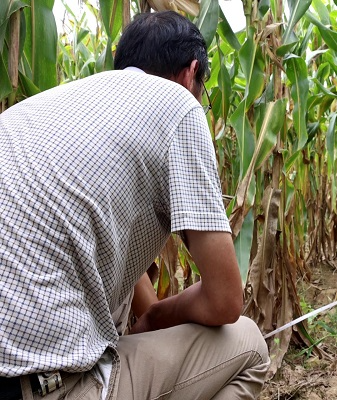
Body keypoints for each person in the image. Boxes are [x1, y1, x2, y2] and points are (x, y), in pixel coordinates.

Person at [0, 11, 269, 400]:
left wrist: (150, 314)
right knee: (248, 343)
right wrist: (158, 316)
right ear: (191, 73)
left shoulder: (53, 105)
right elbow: (225, 299)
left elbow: (115, 253)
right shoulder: (178, 106)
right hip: (43, 386)